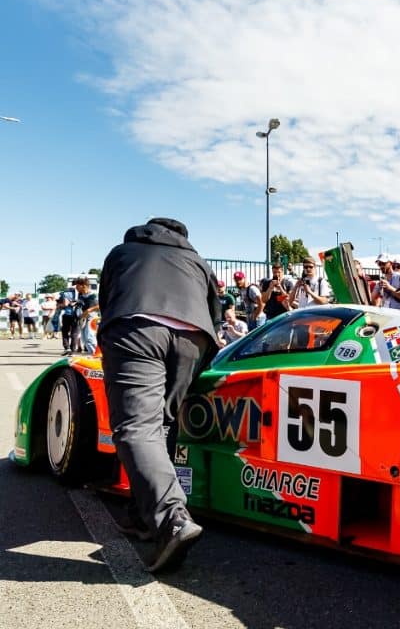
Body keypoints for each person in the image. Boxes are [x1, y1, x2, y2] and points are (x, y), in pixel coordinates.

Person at [98, 217, 220, 572]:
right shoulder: (196, 260)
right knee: (162, 425)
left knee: (136, 428)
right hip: (193, 338)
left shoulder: (123, 252)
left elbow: (109, 299)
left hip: (137, 327)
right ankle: (142, 514)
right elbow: (216, 310)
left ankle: (172, 521)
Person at [74, 278, 100, 355]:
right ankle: (93, 354)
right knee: (84, 339)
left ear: (84, 286)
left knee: (90, 337)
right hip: (83, 318)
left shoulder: (93, 294)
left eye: (78, 286)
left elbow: (100, 305)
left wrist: (89, 310)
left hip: (92, 317)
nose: (76, 287)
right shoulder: (81, 295)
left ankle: (98, 355)